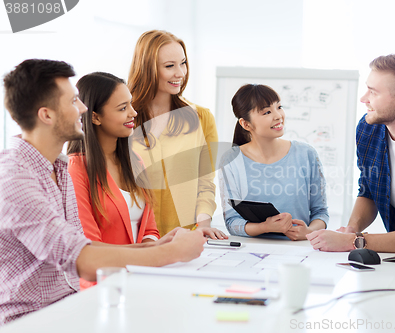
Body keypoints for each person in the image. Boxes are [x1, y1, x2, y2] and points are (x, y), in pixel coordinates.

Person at [0, 59, 205, 324]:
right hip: (32, 321)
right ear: (47, 115)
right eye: (73, 101)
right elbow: (81, 258)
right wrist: (173, 253)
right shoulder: (15, 178)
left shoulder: (58, 168)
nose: (83, 108)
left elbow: (84, 245)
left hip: (70, 308)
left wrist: (162, 244)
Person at [307, 54, 395, 252]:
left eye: (373, 92)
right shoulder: (368, 129)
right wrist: (352, 229)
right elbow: (368, 190)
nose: (363, 99)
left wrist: (353, 242)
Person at [128, 30, 226, 239]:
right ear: (147, 69)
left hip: (185, 236)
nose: (180, 73)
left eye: (183, 63)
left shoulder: (201, 117)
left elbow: (205, 182)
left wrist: (203, 224)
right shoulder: (124, 119)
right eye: (170, 66)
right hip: (135, 238)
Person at [66, 72, 161, 289]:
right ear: (95, 117)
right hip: (101, 286)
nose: (133, 113)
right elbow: (89, 245)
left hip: (138, 279)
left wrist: (152, 251)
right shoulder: (76, 169)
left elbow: (150, 230)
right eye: (122, 108)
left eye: (131, 105)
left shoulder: (135, 161)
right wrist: (155, 254)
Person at [219, 84, 328, 240]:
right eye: (267, 112)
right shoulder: (231, 160)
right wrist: (265, 227)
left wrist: (308, 232)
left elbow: (321, 213)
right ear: (245, 124)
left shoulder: (306, 154)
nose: (278, 116)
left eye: (279, 107)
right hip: (252, 253)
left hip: (299, 251)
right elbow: (232, 222)